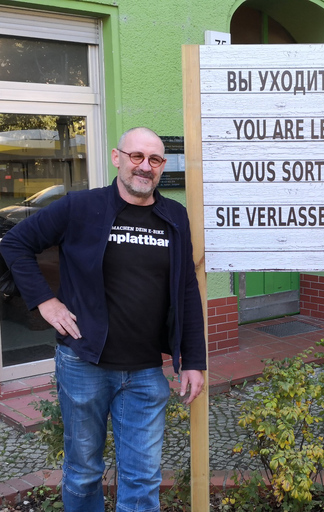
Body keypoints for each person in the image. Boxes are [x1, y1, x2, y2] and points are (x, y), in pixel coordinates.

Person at [0, 127, 206, 511]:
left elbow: (186, 290)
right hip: (84, 365)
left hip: (146, 373)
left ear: (162, 166)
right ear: (117, 157)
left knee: (142, 479)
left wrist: (193, 360)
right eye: (136, 156)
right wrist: (46, 301)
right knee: (82, 473)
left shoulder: (174, 216)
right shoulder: (81, 207)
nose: (145, 167)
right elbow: (15, 243)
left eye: (155, 159)